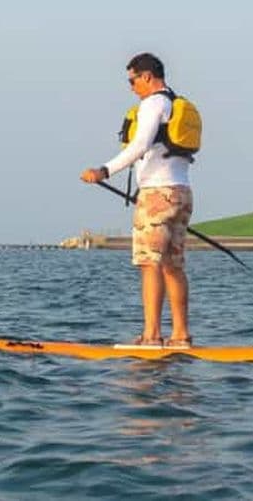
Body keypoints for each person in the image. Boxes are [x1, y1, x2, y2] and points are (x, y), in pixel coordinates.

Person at [80, 53, 194, 347]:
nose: (131, 87)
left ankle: (151, 336)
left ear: (147, 77)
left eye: (132, 81)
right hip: (181, 193)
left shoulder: (153, 104)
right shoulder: (174, 103)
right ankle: (180, 335)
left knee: (149, 263)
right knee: (173, 266)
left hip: (156, 194)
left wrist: (104, 171)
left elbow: (140, 145)